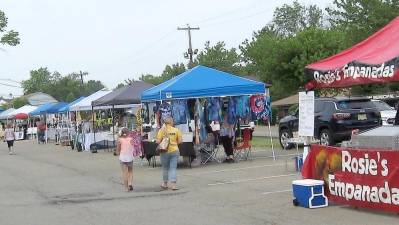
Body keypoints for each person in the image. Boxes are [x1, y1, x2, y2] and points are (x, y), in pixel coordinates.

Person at [156, 116, 182, 190]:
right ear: (171, 122)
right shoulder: (176, 130)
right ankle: (173, 185)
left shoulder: (161, 131)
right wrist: (174, 142)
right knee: (173, 168)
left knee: (165, 168)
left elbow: (158, 141)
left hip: (164, 151)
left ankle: (165, 183)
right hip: (175, 150)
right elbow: (180, 141)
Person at [116, 128, 135, 192]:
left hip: (123, 157)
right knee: (130, 171)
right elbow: (133, 147)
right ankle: (130, 183)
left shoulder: (120, 140)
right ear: (128, 133)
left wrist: (117, 153)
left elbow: (118, 149)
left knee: (125, 173)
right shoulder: (131, 139)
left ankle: (126, 188)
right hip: (130, 157)